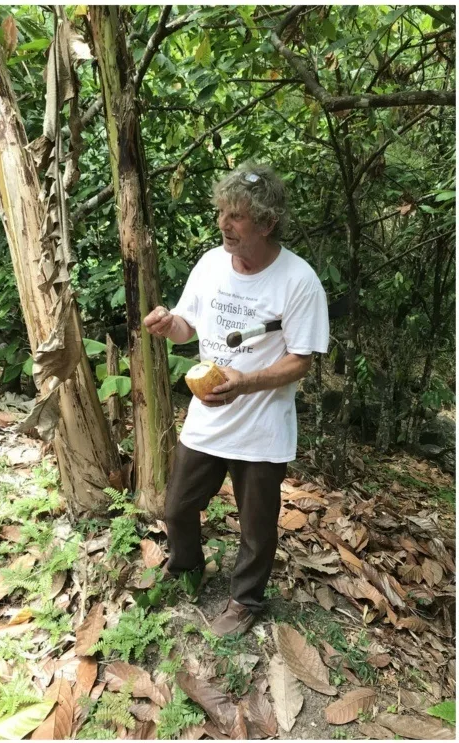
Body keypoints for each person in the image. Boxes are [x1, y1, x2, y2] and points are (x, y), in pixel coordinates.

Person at [144, 163, 329, 637]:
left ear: (267, 224)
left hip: (262, 424)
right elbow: (188, 325)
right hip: (209, 416)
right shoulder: (209, 264)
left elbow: (300, 360)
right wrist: (170, 327)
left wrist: (245, 382)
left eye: (238, 216)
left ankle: (245, 600)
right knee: (177, 506)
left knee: (256, 527)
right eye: (223, 212)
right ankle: (186, 568)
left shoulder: (299, 280)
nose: (225, 223)